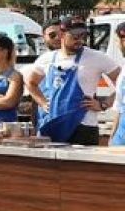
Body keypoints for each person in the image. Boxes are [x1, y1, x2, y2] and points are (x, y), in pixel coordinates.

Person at [28, 17, 120, 145]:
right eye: (75, 36)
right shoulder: (47, 59)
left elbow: (122, 83)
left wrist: (103, 104)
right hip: (53, 125)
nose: (80, 40)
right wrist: (42, 102)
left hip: (84, 127)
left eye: (83, 36)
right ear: (62, 35)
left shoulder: (97, 57)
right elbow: (31, 83)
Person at [111, 23, 125, 146]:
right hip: (121, 137)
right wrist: (112, 137)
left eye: (116, 41)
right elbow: (119, 106)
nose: (117, 45)